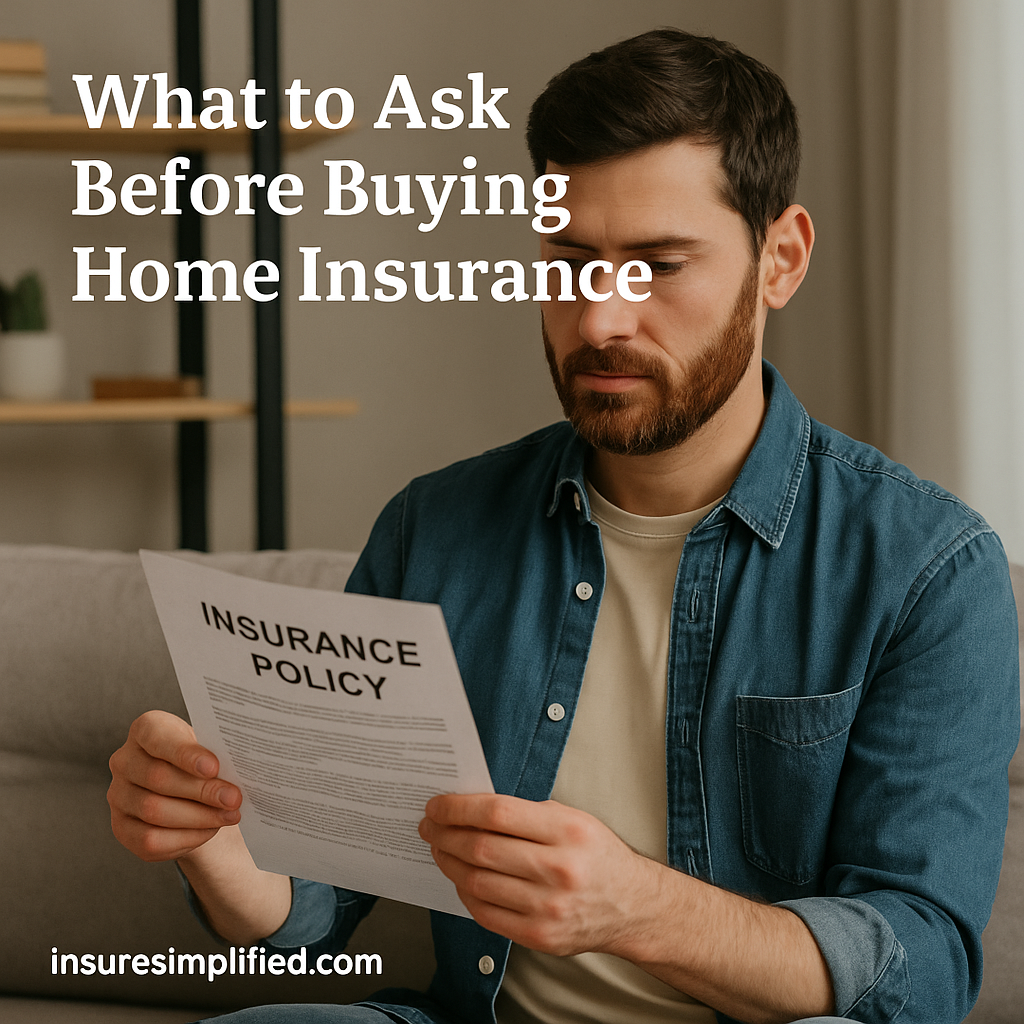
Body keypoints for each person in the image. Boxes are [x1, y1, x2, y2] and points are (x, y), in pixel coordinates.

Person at [107, 28, 1019, 1024]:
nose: (598, 321)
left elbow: (920, 969)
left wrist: (637, 908)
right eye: (570, 260)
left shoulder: (927, 569)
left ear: (780, 258)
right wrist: (220, 846)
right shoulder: (435, 528)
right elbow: (318, 905)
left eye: (658, 265)